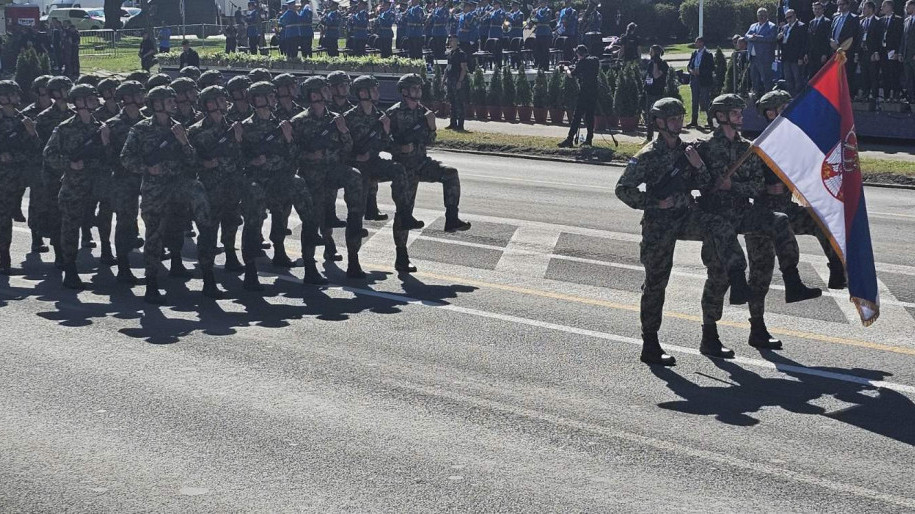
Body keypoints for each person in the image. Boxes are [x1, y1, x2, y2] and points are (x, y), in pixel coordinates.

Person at [615, 98, 751, 366]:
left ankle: (736, 277)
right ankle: (650, 343)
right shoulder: (647, 156)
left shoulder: (688, 150)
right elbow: (623, 190)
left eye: (680, 117)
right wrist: (654, 202)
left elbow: (704, 185)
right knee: (656, 282)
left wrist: (699, 165)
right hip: (659, 224)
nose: (678, 123)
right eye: (673, 119)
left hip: (686, 216)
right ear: (659, 122)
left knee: (718, 224)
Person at [696, 94, 822, 358]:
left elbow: (756, 186)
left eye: (740, 111)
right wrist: (704, 176)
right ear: (720, 117)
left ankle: (780, 296)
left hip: (744, 213)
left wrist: (734, 186)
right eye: (735, 112)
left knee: (774, 237)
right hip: (718, 218)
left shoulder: (748, 149)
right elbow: (698, 183)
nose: (741, 116)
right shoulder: (704, 148)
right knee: (718, 277)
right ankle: (709, 335)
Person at [741, 90, 846, 349]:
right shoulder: (759, 146)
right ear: (770, 113)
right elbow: (745, 184)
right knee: (760, 273)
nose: (790, 111)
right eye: (784, 107)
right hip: (763, 215)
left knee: (821, 220)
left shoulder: (793, 143)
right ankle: (757, 328)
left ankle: (836, 270)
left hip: (786, 208)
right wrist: (767, 187)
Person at [120, 86, 219, 304]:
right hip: (155, 188)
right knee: (154, 234)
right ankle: (151, 282)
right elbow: (126, 158)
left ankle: (208, 276)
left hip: (179, 184)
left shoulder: (178, 128)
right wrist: (147, 169)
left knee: (202, 213)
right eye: (167, 101)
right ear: (156, 105)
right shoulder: (140, 129)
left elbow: (192, 160)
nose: (172, 104)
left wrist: (184, 141)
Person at [387, 74, 470, 273]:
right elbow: (383, 142)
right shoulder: (393, 114)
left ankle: (452, 218)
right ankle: (401, 255)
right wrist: (399, 149)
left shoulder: (423, 113)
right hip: (403, 168)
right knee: (404, 211)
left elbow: (430, 141)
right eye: (414, 89)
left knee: (450, 173)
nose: (418, 92)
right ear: (404, 91)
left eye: (419, 89)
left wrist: (432, 125)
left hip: (422, 163)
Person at [344, 75, 423, 275]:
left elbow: (385, 145)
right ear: (363, 93)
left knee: (398, 169)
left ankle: (404, 213)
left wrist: (386, 133)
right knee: (356, 213)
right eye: (373, 90)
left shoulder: (379, 116)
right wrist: (355, 156)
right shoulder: (349, 118)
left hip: (374, 163)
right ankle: (353, 261)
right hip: (356, 169)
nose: (378, 93)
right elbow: (340, 148)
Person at [290, 77, 366, 275]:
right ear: (314, 95)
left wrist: (343, 132)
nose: (329, 92)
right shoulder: (299, 122)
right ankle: (309, 267)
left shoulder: (335, 118)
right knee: (312, 220)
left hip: (332, 172)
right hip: (311, 177)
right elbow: (289, 153)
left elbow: (348, 148)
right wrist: (308, 155)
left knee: (355, 176)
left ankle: (354, 249)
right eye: (324, 90)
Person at [42, 84, 111, 290]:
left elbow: (110, 158)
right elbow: (49, 154)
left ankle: (107, 254)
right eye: (89, 98)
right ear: (79, 102)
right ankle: (70, 268)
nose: (94, 100)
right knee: (71, 228)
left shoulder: (101, 127)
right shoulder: (64, 128)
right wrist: (69, 163)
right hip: (74, 186)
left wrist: (107, 142)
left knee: (101, 220)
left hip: (97, 186)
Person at [187, 85, 247, 294]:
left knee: (231, 223)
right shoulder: (195, 131)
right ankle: (208, 276)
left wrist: (240, 140)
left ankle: (231, 255)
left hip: (231, 186)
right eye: (220, 100)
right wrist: (203, 164)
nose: (225, 103)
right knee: (208, 233)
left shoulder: (233, 128)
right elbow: (186, 161)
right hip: (209, 190)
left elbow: (245, 157)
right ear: (210, 104)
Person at [105, 80, 147, 284]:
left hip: (148, 180)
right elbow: (109, 158)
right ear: (127, 98)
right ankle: (123, 266)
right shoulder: (113, 125)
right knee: (125, 222)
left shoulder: (147, 122)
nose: (142, 97)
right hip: (123, 180)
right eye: (137, 94)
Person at [0, 81, 40, 276]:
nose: (17, 97)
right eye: (12, 94)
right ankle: (3, 256)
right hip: (3, 175)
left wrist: (32, 132)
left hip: (18, 177)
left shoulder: (23, 120)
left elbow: (36, 147)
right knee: (2, 218)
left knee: (6, 217)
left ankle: (4, 256)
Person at [558, 45, 598, 148]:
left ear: (579, 54)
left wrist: (566, 69)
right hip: (594, 91)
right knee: (590, 117)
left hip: (584, 93)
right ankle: (589, 140)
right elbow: (584, 69)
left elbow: (571, 75)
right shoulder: (595, 60)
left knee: (577, 117)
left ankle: (569, 139)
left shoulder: (582, 62)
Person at [746, 8, 778, 95]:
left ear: (767, 16)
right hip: (753, 58)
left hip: (765, 59)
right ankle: (756, 97)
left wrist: (757, 38)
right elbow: (746, 36)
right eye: (760, 15)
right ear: (757, 16)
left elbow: (772, 39)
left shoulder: (772, 26)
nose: (761, 17)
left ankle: (768, 98)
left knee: (767, 80)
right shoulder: (753, 26)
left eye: (763, 15)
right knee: (754, 80)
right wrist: (750, 37)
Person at [830, 0, 860, 92]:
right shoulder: (836, 18)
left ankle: (849, 95)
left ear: (847, 5)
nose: (840, 6)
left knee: (847, 74)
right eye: (838, 4)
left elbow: (855, 35)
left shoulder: (854, 18)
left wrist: (854, 51)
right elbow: (831, 33)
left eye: (842, 4)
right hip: (835, 51)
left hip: (847, 51)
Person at [642, 45, 669, 142]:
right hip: (649, 91)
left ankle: (661, 138)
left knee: (658, 115)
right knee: (649, 115)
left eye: (651, 52)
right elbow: (649, 76)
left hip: (658, 92)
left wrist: (656, 64)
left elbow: (656, 75)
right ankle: (649, 137)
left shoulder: (663, 64)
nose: (650, 54)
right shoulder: (650, 63)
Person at [686, 36, 714, 129]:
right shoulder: (694, 53)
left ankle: (710, 121)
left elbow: (711, 68)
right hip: (694, 79)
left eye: (697, 42)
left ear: (702, 43)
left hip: (704, 80)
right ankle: (694, 121)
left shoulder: (708, 54)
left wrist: (700, 72)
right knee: (694, 100)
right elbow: (689, 65)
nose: (695, 44)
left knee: (705, 100)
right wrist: (691, 70)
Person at [779, 9, 808, 95]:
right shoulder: (784, 27)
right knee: (788, 78)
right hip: (786, 57)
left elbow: (804, 43)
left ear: (795, 15)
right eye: (786, 18)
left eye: (790, 17)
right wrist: (779, 38)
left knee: (797, 79)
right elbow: (781, 43)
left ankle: (798, 97)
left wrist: (801, 57)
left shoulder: (801, 26)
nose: (788, 19)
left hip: (796, 57)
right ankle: (791, 96)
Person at [858, 1, 884, 99]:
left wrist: (876, 52)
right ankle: (865, 94)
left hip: (872, 52)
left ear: (870, 9)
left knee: (873, 75)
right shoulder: (862, 22)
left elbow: (879, 38)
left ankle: (874, 96)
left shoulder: (878, 21)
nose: (863, 10)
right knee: (864, 75)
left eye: (865, 8)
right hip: (863, 51)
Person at [880, 0, 904, 100]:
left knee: (894, 73)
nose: (882, 8)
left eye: (884, 6)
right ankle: (886, 96)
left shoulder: (898, 20)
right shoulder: (881, 20)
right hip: (883, 51)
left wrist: (898, 52)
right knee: (885, 74)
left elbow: (900, 37)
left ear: (890, 7)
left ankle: (895, 95)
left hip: (893, 51)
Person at [445, 35, 469, 130]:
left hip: (457, 79)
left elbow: (463, 69)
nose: (451, 43)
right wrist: (444, 79)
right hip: (450, 80)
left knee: (459, 103)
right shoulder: (450, 53)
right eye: (450, 41)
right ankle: (453, 123)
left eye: (452, 41)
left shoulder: (461, 54)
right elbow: (448, 68)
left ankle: (460, 124)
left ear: (457, 41)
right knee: (452, 102)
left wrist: (460, 81)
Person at [807, 2, 834, 78]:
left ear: (823, 10)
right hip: (812, 54)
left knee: (821, 76)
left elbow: (827, 39)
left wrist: (825, 53)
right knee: (812, 76)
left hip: (821, 54)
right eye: (815, 9)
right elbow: (809, 39)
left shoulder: (827, 22)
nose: (817, 11)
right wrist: (806, 53)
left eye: (819, 9)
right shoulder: (811, 22)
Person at [530, 0, 552, 70]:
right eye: (540, 3)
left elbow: (543, 19)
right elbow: (534, 20)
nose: (541, 4)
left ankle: (545, 66)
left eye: (543, 2)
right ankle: (540, 64)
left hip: (545, 32)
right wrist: (533, 15)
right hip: (538, 32)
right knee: (538, 50)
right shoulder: (538, 11)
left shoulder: (548, 10)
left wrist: (536, 14)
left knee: (545, 50)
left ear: (546, 3)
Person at [904, 0, 915, 102]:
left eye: (907, 6)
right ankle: (912, 99)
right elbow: (904, 38)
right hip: (906, 54)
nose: (906, 8)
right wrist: (900, 52)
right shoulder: (907, 20)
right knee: (908, 78)